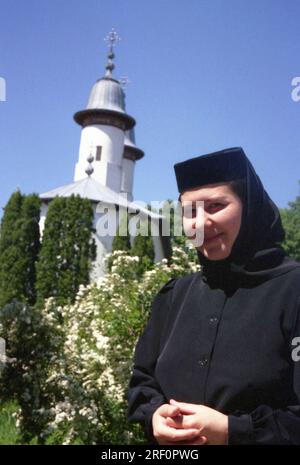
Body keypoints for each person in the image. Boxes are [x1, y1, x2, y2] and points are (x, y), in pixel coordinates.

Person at [126, 147, 300, 445]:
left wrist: (233, 431)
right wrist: (154, 416)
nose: (201, 223)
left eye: (216, 206)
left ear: (250, 207)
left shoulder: (293, 290)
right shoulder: (173, 296)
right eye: (190, 211)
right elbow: (142, 380)